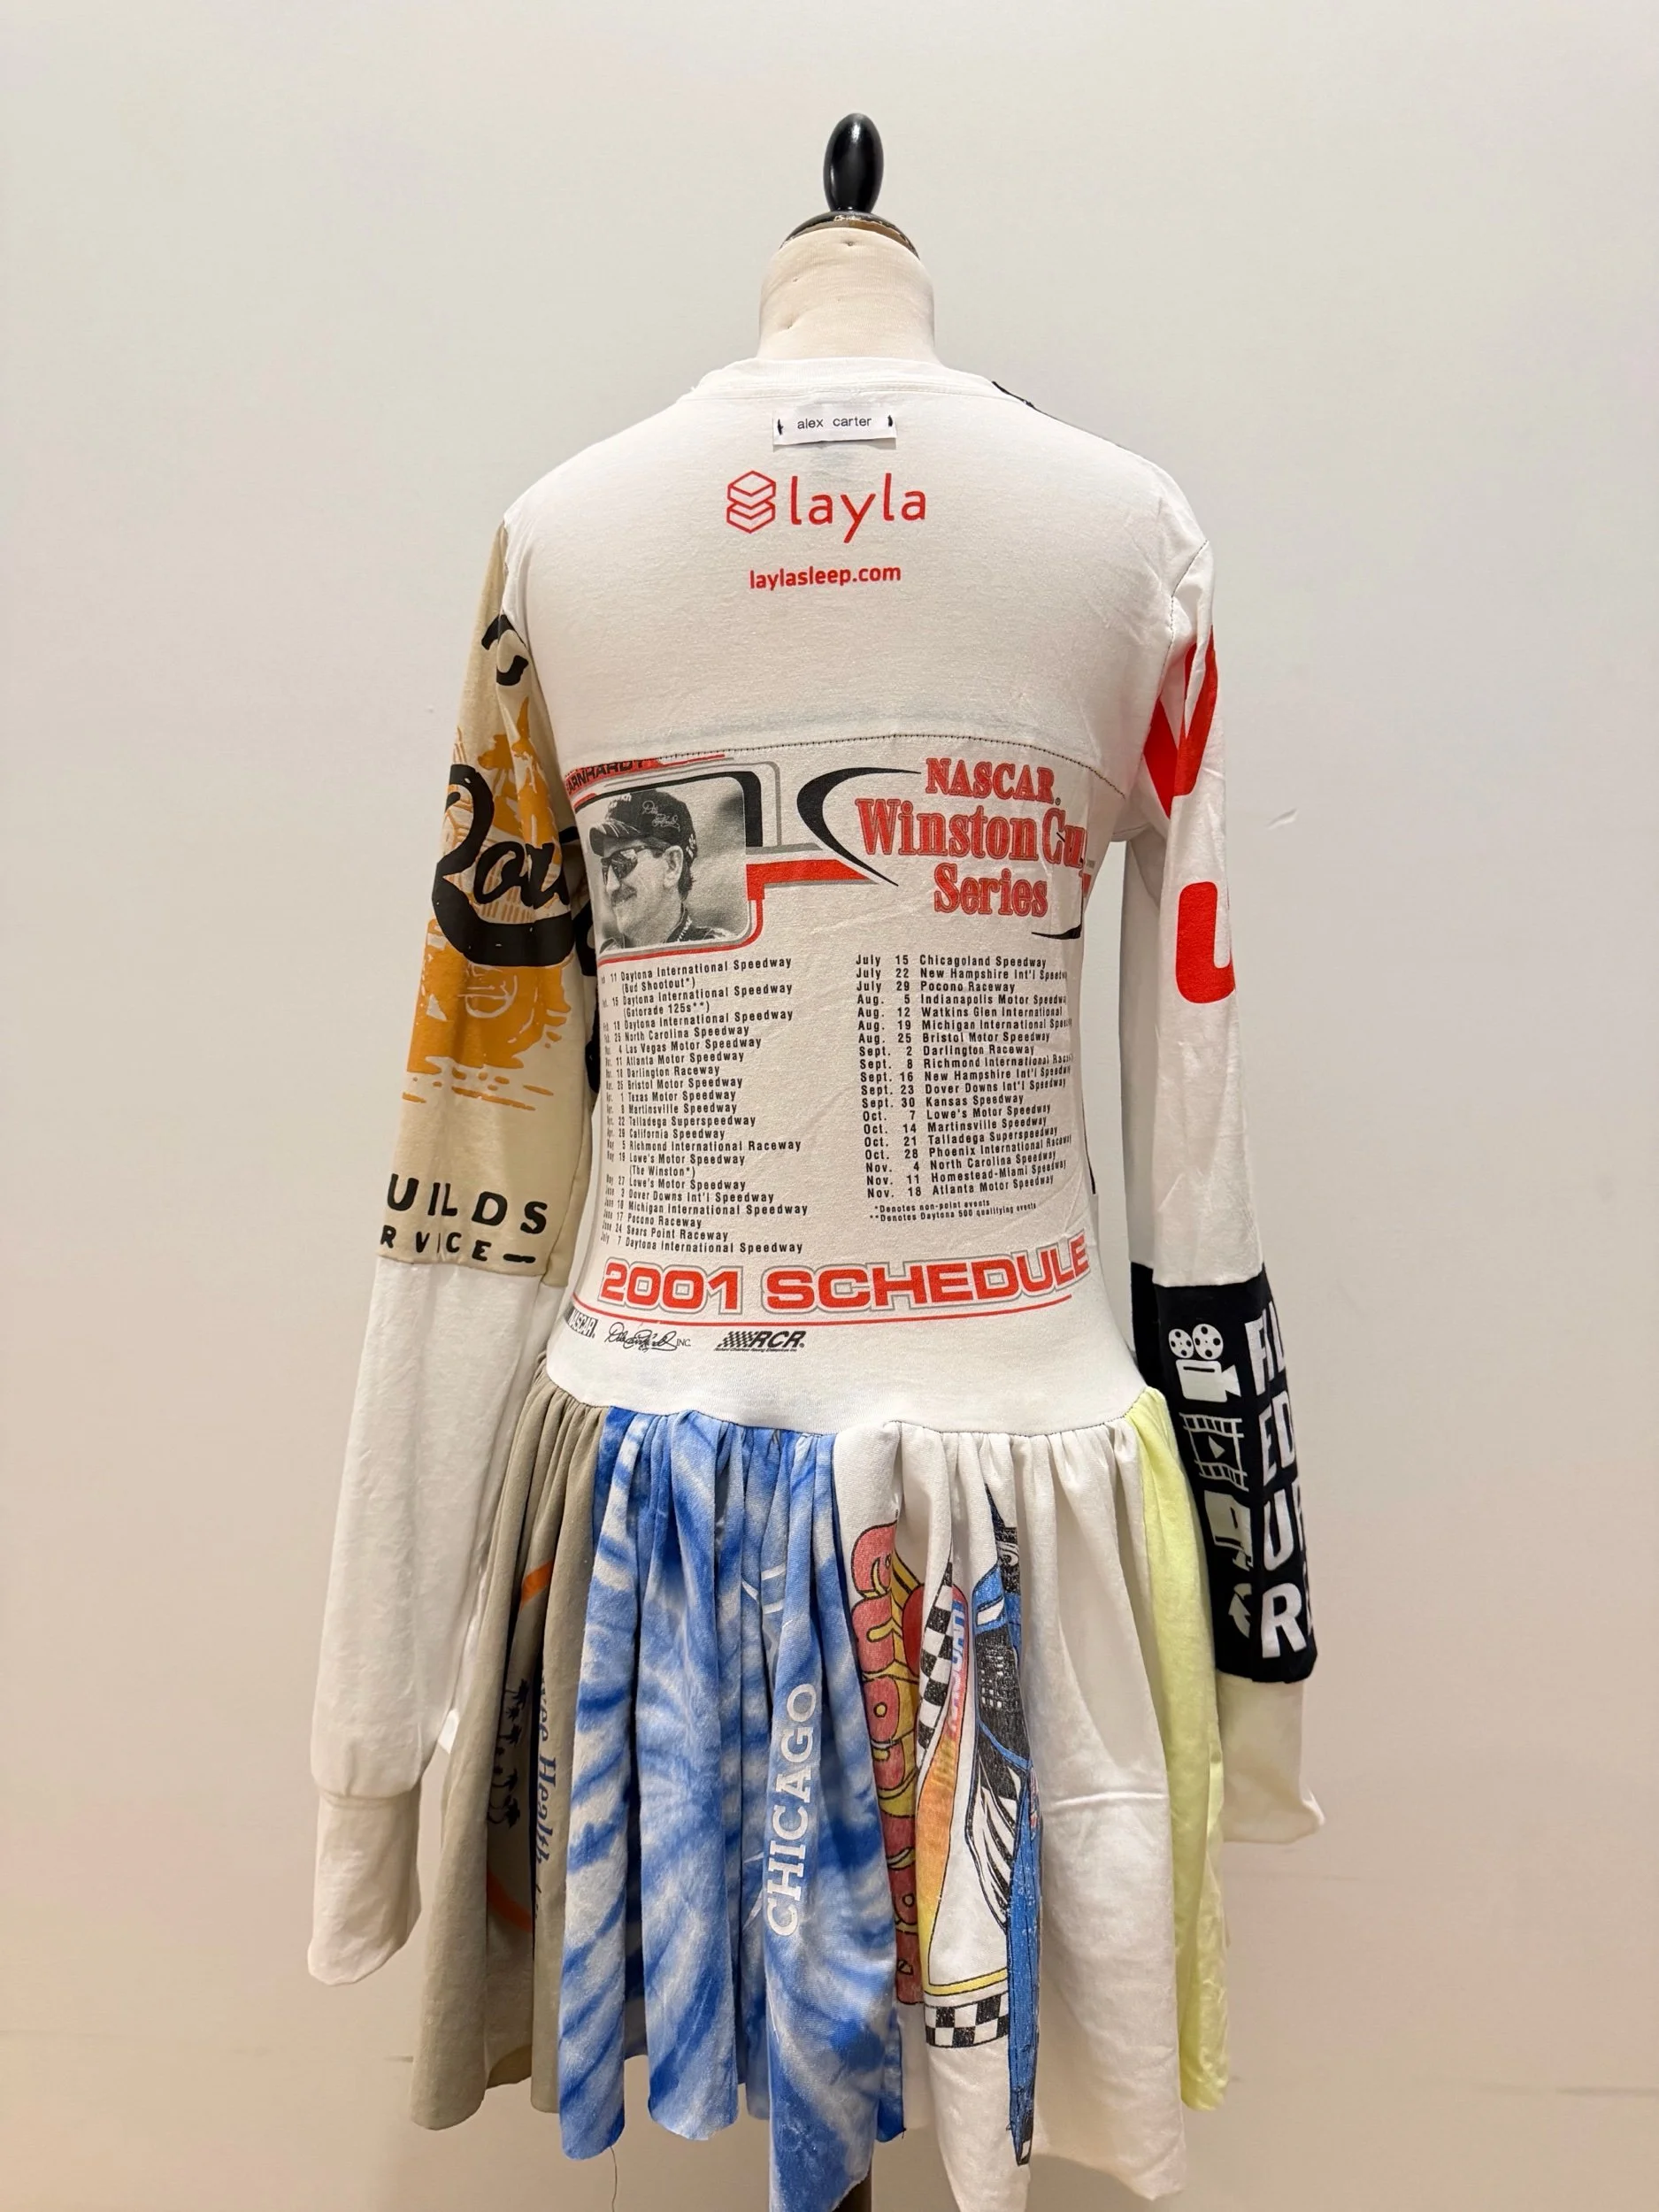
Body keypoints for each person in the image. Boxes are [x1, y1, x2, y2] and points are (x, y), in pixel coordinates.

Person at [587, 786, 721, 950]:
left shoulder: (719, 948)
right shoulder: (605, 952)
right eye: (606, 866)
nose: (610, 886)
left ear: (672, 865)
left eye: (622, 861)